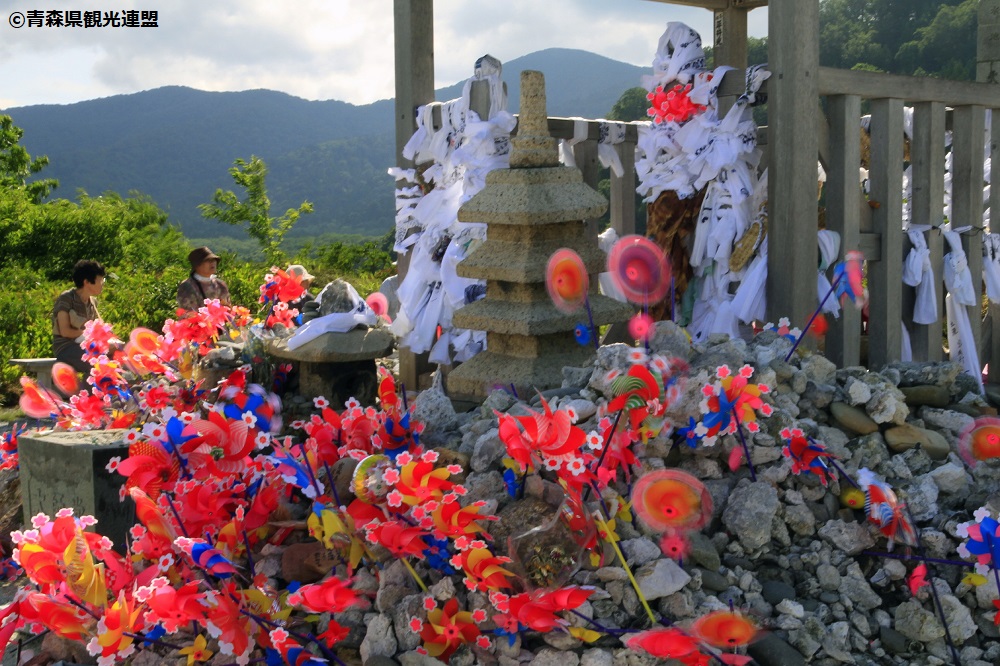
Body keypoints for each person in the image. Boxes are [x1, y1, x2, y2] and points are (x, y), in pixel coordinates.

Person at [52, 260, 106, 373]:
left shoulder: (93, 302)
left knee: (115, 358)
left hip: (86, 347)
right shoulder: (66, 298)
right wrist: (90, 334)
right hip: (66, 348)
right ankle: (90, 391)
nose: (102, 284)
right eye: (100, 280)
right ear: (87, 282)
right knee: (95, 363)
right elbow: (65, 332)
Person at [177, 246, 230, 311]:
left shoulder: (221, 285)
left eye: (214, 260)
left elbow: (228, 310)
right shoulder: (187, 286)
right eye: (208, 260)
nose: (213, 263)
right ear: (197, 265)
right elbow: (188, 315)